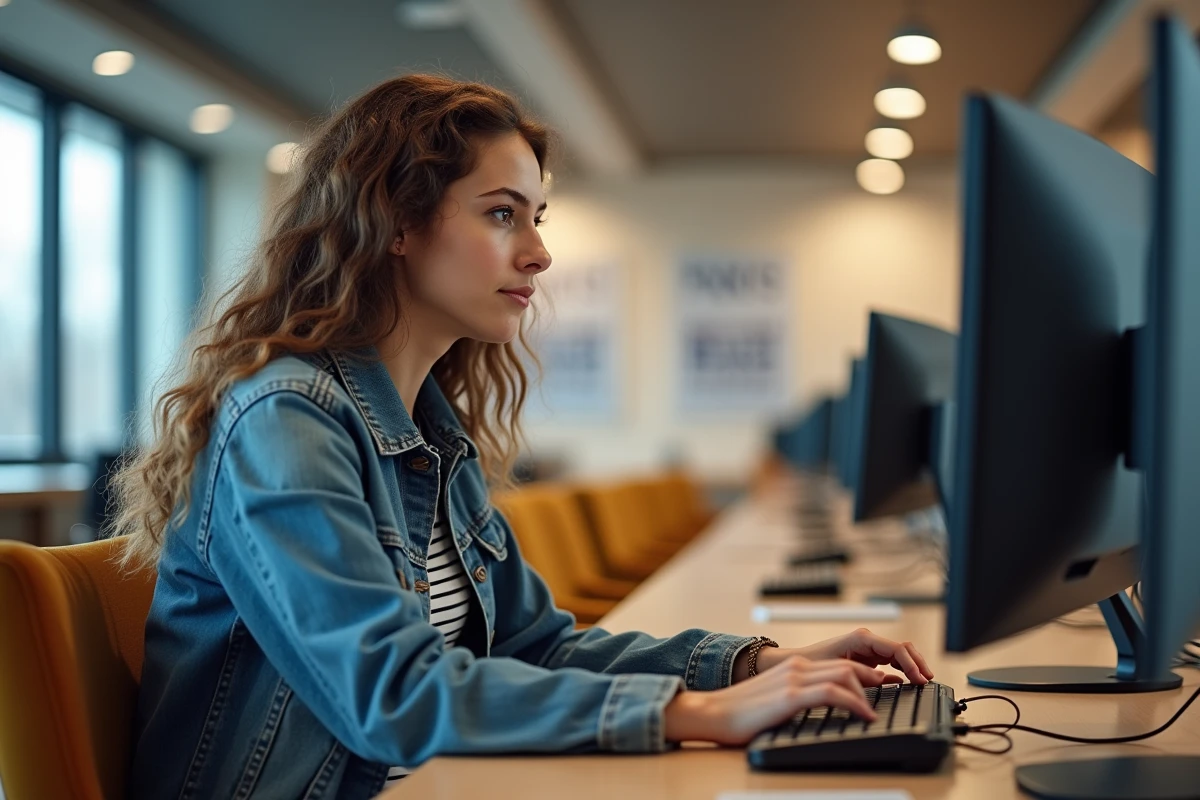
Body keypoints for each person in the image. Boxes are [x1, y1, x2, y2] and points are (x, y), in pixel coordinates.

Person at [110, 74, 934, 800]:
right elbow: (389, 695)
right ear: (395, 221)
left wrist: (752, 667)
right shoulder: (284, 420)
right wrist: (700, 713)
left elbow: (534, 646)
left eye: (536, 218)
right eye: (504, 215)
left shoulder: (430, 433)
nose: (539, 255)